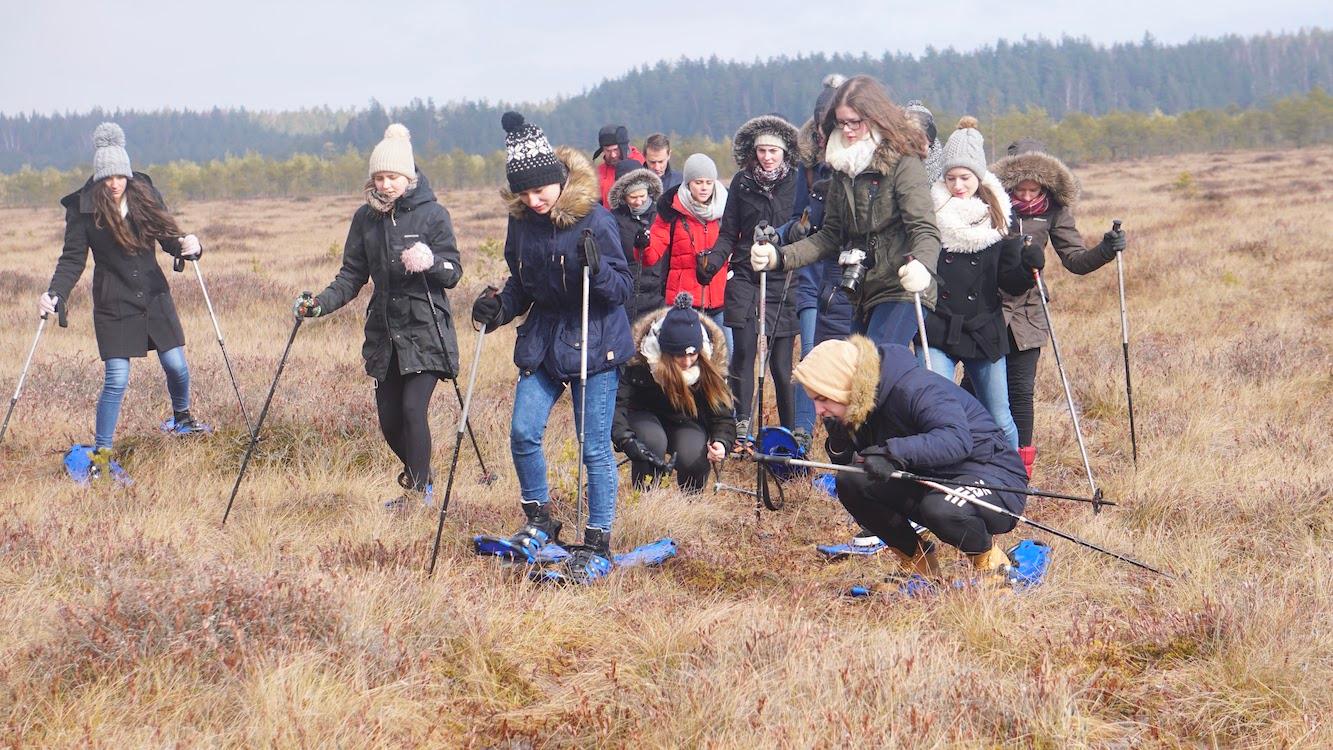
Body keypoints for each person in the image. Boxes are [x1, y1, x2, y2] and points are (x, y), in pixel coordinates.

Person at [471, 111, 633, 583]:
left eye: (540, 190)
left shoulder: (596, 220)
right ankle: (541, 519)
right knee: (523, 432)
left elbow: (622, 289)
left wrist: (597, 270)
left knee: (594, 448)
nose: (534, 200)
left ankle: (597, 538)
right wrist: (497, 311)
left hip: (595, 340)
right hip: (543, 340)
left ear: (559, 180)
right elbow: (521, 286)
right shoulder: (521, 223)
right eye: (524, 193)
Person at [294, 124, 463, 510]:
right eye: (379, 177)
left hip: (426, 328)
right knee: (389, 421)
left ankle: (419, 495)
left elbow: (453, 274)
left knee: (411, 409)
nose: (385, 185)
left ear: (409, 177)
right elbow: (351, 275)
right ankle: (422, 478)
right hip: (385, 333)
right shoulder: (365, 219)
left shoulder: (434, 214)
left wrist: (431, 262)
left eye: (392, 177)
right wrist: (319, 304)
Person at [42, 122, 206, 478]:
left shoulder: (144, 195)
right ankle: (101, 457)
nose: (115, 183)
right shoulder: (83, 210)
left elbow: (168, 235)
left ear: (128, 174)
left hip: (154, 294)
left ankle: (182, 420)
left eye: (120, 176)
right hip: (113, 300)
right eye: (108, 177)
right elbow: (72, 259)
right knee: (116, 377)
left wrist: (189, 245)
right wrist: (56, 293)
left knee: (176, 364)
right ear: (99, 178)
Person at [793, 335, 1029, 582]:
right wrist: (841, 440)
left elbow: (956, 440)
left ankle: (992, 567)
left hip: (995, 476)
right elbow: (860, 468)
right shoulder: (861, 405)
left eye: (822, 399)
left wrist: (893, 453)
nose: (818, 411)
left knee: (941, 509)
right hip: (933, 476)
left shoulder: (916, 388)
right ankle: (918, 564)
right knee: (852, 481)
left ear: (844, 384)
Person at [753, 75, 941, 350]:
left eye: (855, 121)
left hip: (904, 286)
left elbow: (925, 229)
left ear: (876, 117)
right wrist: (779, 257)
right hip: (862, 291)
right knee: (855, 378)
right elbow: (829, 236)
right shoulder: (842, 169)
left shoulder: (904, 162)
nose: (848, 130)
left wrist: (922, 266)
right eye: (842, 122)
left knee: (875, 370)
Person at [991, 138, 1126, 476]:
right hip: (986, 308)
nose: (1024, 195)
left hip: (1029, 312)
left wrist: (1106, 250)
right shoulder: (988, 204)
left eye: (1032, 189)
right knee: (976, 389)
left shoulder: (1054, 211)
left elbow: (1076, 260)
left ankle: (1019, 474)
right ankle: (976, 461)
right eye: (1018, 188)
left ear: (1045, 184)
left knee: (1021, 392)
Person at [920, 118, 1041, 450]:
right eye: (951, 178)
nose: (958, 185)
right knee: (936, 412)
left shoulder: (999, 218)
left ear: (979, 177)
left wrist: (1030, 266)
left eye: (965, 178)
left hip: (984, 329)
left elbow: (1011, 284)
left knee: (1000, 417)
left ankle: (1013, 480)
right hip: (936, 328)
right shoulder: (929, 213)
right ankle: (945, 478)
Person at [703, 114, 801, 447]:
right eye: (761, 150)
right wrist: (713, 262)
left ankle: (789, 433)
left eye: (773, 150)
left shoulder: (797, 183)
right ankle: (741, 424)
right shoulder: (742, 183)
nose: (767, 156)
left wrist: (794, 237)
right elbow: (728, 231)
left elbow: (809, 228)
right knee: (743, 351)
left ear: (784, 151)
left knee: (780, 361)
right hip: (744, 271)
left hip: (783, 274)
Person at [613, 292, 735, 491]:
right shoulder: (640, 359)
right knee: (654, 441)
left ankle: (690, 506)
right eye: (679, 355)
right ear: (665, 351)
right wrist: (625, 439)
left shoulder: (710, 363)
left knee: (693, 454)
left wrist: (721, 442)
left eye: (693, 354)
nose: (687, 362)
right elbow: (617, 404)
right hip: (643, 415)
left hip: (685, 421)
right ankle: (644, 500)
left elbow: (723, 416)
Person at [645, 153, 730, 353]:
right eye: (698, 182)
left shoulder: (727, 211)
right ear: (688, 183)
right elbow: (652, 255)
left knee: (727, 356)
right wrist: (643, 245)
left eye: (709, 182)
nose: (704, 187)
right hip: (684, 300)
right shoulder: (671, 211)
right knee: (689, 358)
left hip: (721, 297)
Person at [607, 161, 665, 325]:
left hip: (657, 295)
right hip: (628, 296)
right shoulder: (613, 220)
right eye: (633, 197)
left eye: (642, 196)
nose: (638, 202)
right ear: (623, 196)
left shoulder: (660, 215)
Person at [594, 124, 644, 208]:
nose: (613, 155)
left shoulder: (641, 165)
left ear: (623, 147)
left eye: (615, 149)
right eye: (608, 151)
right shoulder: (599, 173)